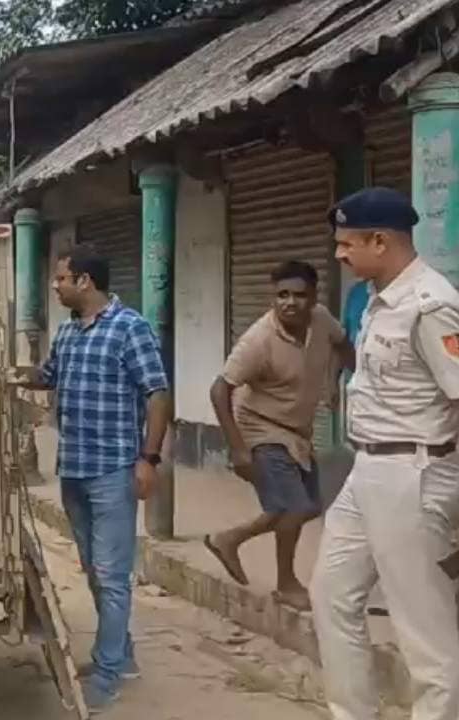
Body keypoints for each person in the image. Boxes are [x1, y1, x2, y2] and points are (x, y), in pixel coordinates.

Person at [312, 186, 459, 720]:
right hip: (367, 468)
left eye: (347, 244)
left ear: (380, 240)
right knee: (331, 595)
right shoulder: (376, 298)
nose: (339, 255)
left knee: (425, 630)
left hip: (414, 473)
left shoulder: (432, 306)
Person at [18, 246, 172, 711]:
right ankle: (120, 657)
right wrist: (11, 373)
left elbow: (157, 394)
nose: (55, 284)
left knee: (111, 573)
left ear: (84, 282)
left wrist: (149, 459)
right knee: (93, 568)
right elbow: (47, 377)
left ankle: (106, 675)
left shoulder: (130, 328)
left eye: (61, 278)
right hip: (76, 468)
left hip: (112, 469)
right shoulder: (68, 333)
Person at [202, 260, 354, 610]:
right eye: (282, 295)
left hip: (297, 431)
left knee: (308, 506)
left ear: (313, 297)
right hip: (260, 429)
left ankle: (228, 539)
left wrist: (334, 379)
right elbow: (219, 390)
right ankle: (286, 583)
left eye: (299, 295)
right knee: (292, 506)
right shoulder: (259, 339)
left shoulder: (322, 320)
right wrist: (238, 449)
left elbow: (343, 346)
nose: (289, 302)